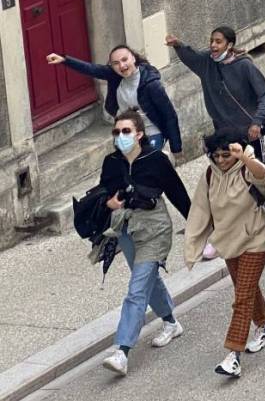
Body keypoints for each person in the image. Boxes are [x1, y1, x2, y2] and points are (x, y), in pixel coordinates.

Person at [94, 109, 191, 377]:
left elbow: (178, 194)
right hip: (125, 228)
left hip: (154, 228)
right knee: (148, 280)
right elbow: (104, 191)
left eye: (126, 131)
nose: (120, 136)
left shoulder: (156, 160)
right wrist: (108, 203)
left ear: (139, 134)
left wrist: (199, 227)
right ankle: (171, 323)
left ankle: (121, 351)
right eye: (116, 132)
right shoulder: (111, 162)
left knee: (137, 289)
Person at [183, 133, 265, 378]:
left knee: (242, 296)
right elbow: (200, 209)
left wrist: (243, 157)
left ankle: (232, 356)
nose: (223, 160)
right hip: (228, 242)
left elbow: (263, 176)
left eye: (226, 154)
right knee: (247, 289)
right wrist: (193, 245)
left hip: (255, 238)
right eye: (217, 155)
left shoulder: (247, 167)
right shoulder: (210, 174)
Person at [46, 46, 182, 155]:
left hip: (151, 133)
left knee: (147, 172)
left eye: (125, 60)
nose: (122, 66)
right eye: (116, 63)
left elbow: (169, 115)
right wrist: (64, 60)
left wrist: (176, 148)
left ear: (133, 58)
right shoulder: (115, 76)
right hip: (126, 134)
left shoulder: (151, 84)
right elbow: (91, 69)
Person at [165, 27, 265, 158]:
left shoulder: (244, 65)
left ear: (230, 45)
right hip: (224, 132)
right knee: (230, 169)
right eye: (211, 41)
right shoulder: (207, 63)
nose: (213, 45)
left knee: (257, 168)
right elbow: (192, 57)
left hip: (249, 130)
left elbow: (264, 94)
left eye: (218, 41)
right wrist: (178, 44)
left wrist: (257, 121)